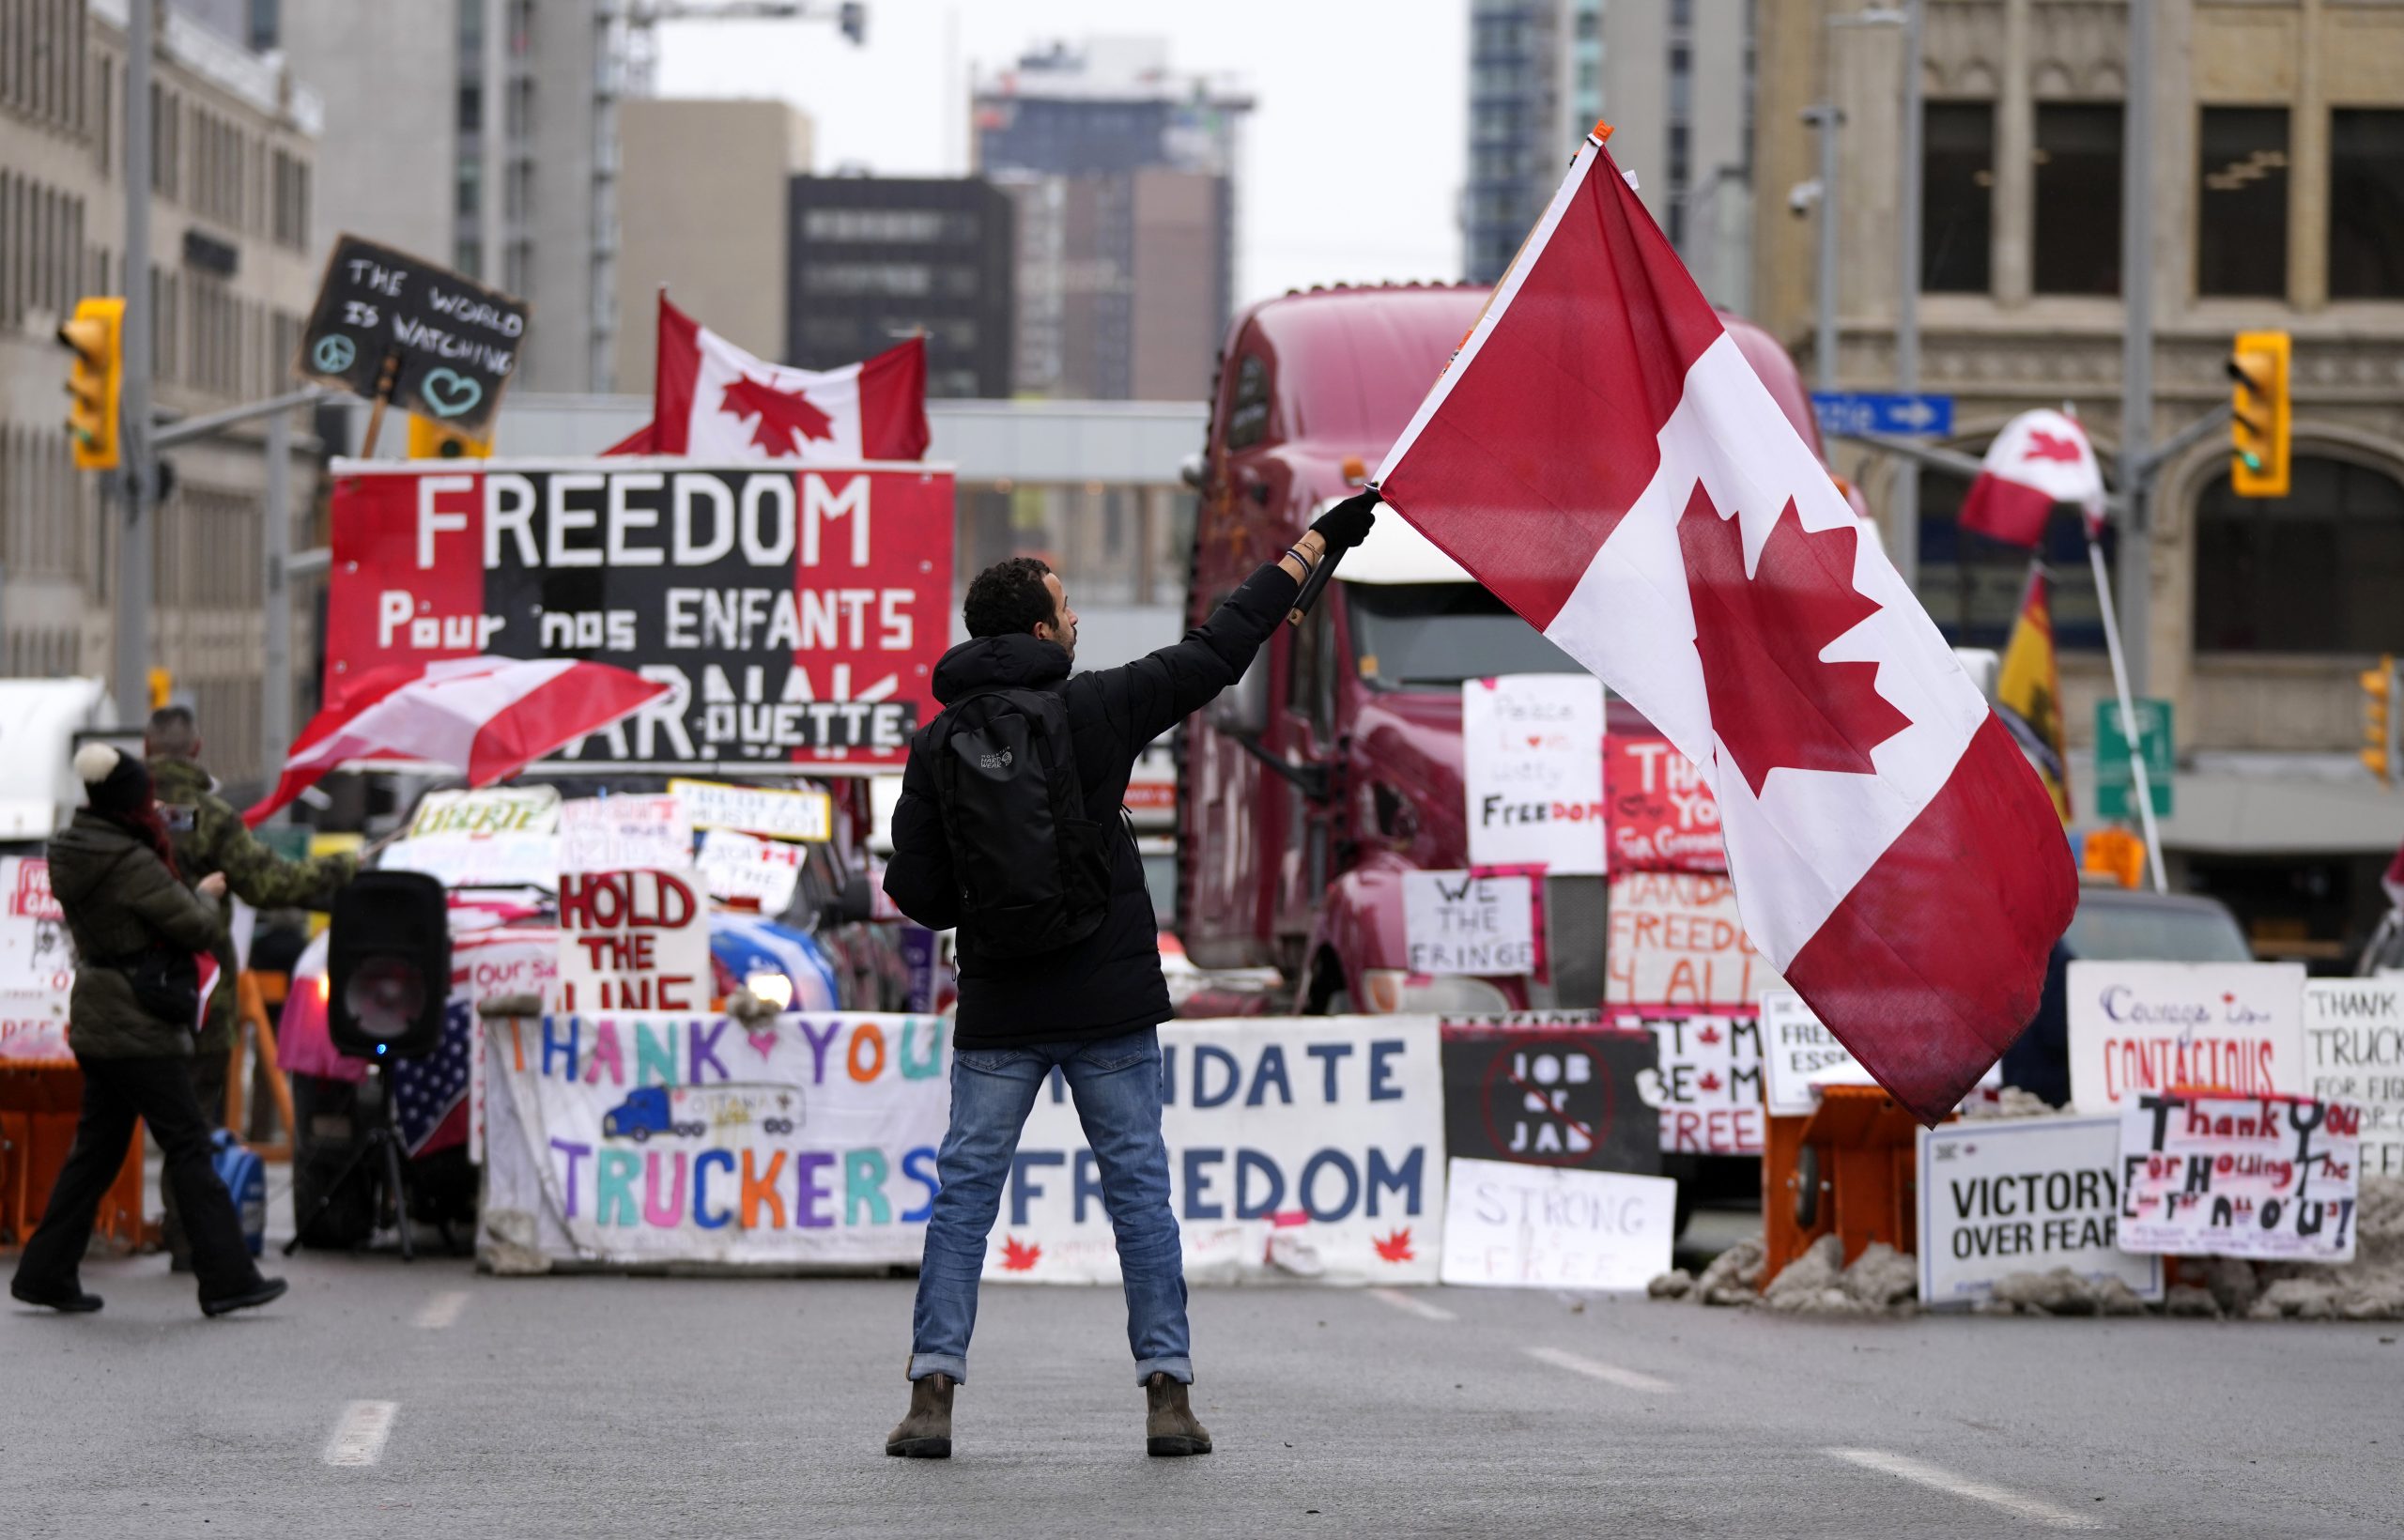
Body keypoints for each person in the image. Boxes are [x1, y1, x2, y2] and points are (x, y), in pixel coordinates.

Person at [879, 488, 1381, 1459]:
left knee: (964, 1199)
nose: (1077, 623)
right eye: (1067, 611)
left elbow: (922, 895)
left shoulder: (936, 742)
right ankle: (1168, 1394)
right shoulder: (1096, 705)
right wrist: (1316, 544)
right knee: (1138, 1195)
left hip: (997, 1011)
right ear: (1040, 629)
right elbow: (1218, 647)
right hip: (1107, 1003)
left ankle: (931, 1393)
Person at [10, 745, 287, 1317]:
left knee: (96, 1152)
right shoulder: (131, 862)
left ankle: (44, 1272)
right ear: (127, 804)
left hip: (97, 1015)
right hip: (138, 1022)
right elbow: (192, 927)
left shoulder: (69, 850)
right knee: (188, 1141)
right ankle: (227, 1277)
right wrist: (207, 899)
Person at [146, 704, 354, 1269]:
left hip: (126, 990)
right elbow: (268, 882)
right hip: (198, 993)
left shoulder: (120, 813)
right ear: (197, 749)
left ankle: (59, 1248)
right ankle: (190, 1241)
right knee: (194, 1122)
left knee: (107, 1124)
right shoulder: (212, 818)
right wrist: (342, 871)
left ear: (145, 749)